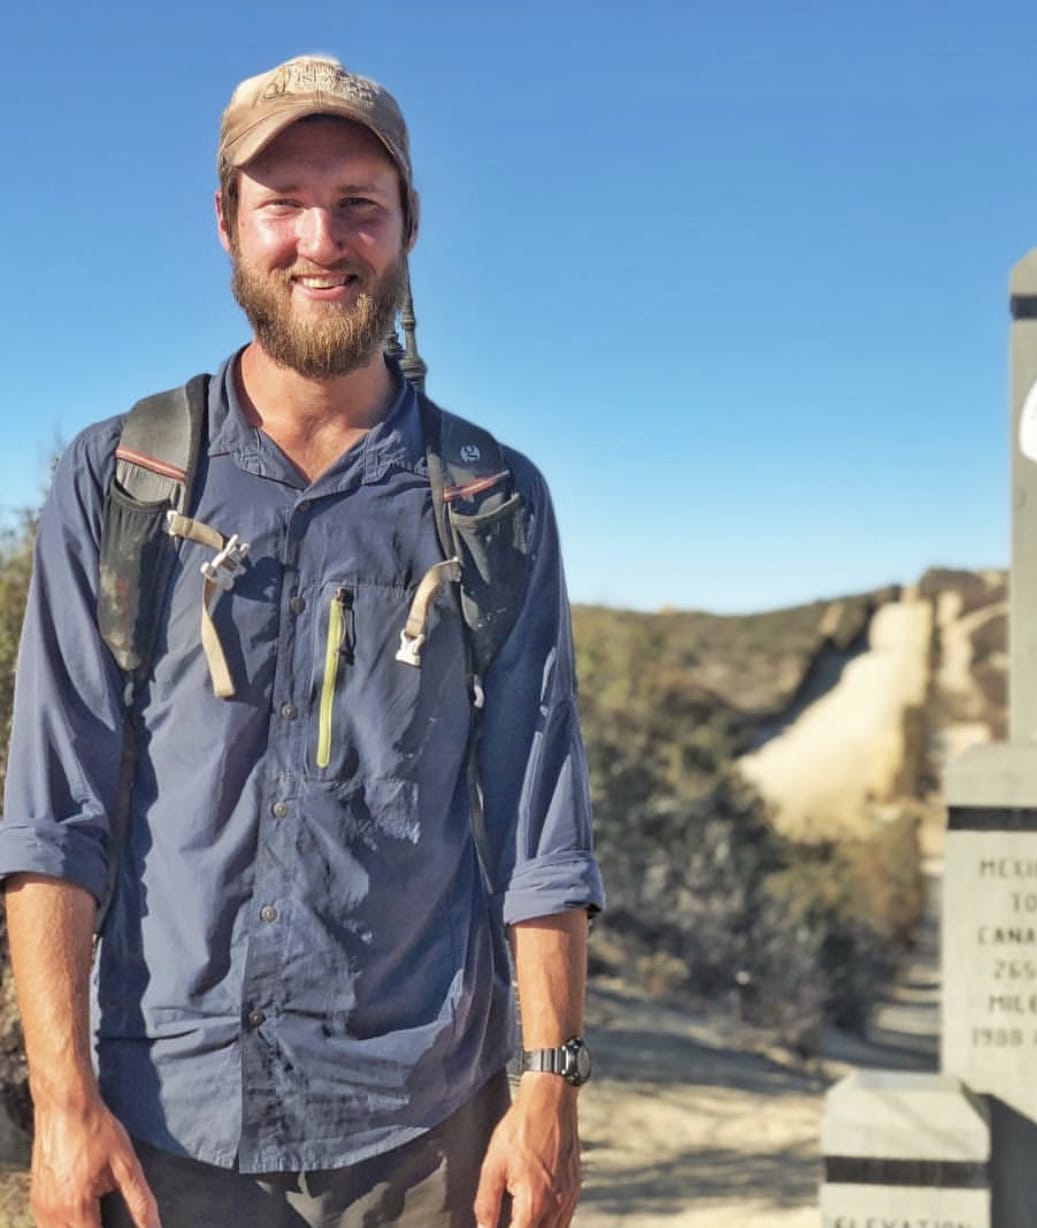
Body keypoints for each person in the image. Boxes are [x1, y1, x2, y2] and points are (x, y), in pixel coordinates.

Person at [0, 54, 603, 1228]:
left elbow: (540, 827)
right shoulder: (118, 484)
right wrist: (63, 1106)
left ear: (407, 228)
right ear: (226, 221)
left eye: (358, 205)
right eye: (281, 203)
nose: (320, 241)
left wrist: (549, 1097)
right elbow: (52, 819)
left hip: (423, 1138)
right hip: (157, 1125)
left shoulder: (486, 500)